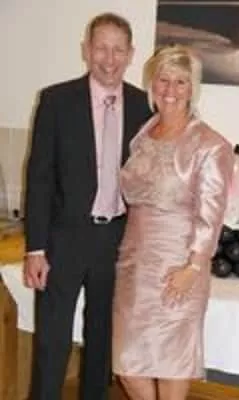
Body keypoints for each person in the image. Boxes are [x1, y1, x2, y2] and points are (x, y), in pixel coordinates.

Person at [23, 12, 151, 400]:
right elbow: (39, 177)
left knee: (102, 343)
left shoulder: (143, 106)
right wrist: (35, 248)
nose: (109, 59)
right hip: (63, 240)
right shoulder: (56, 101)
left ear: (131, 54)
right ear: (86, 50)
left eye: (118, 50)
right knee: (52, 342)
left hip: (116, 240)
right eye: (101, 48)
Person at [112, 44, 234, 400]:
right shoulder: (143, 134)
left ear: (192, 88)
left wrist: (193, 267)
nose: (170, 89)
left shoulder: (210, 145)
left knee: (170, 365)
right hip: (134, 266)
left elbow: (211, 214)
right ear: (152, 83)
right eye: (163, 80)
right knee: (128, 366)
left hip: (178, 267)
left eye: (181, 82)